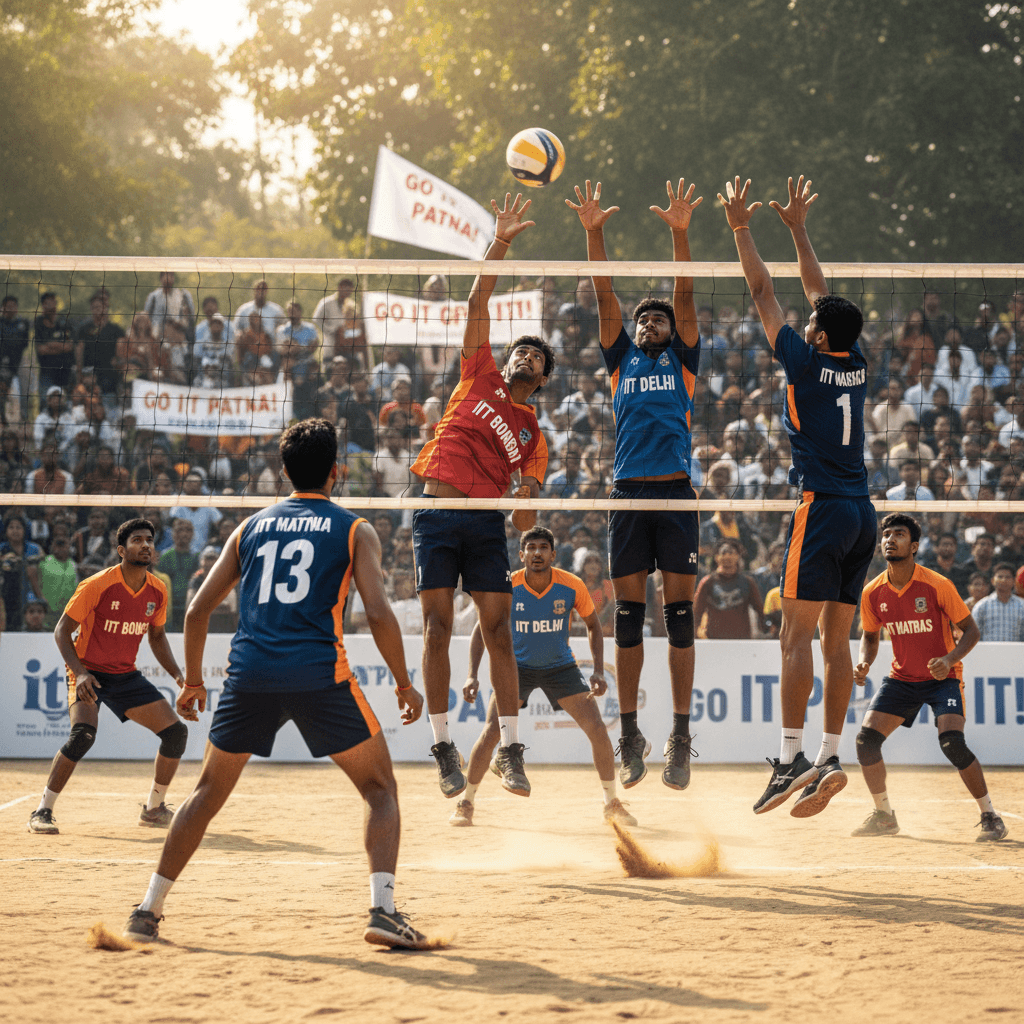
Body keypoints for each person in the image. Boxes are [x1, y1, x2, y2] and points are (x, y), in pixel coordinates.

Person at [121, 419, 431, 949]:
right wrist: (404, 683)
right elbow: (379, 613)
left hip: (250, 676)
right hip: (319, 675)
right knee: (380, 790)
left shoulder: (250, 528)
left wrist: (193, 681)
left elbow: (196, 611)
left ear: (283, 472)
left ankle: (147, 910)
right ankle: (383, 911)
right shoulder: (355, 529)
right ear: (337, 471)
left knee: (206, 794)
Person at [719, 175, 877, 817]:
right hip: (863, 513)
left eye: (811, 323)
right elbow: (821, 296)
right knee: (835, 643)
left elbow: (764, 290)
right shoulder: (854, 361)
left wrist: (741, 226)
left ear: (816, 335)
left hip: (820, 507)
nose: (806, 321)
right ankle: (830, 754)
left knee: (795, 639)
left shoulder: (804, 362)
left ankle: (789, 759)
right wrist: (799, 230)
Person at [410, 193, 551, 800]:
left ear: (542, 379)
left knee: (498, 632)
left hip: (486, 522)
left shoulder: (534, 436)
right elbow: (476, 300)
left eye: (537, 357)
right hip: (439, 510)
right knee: (438, 629)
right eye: (523, 349)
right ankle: (443, 747)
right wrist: (501, 242)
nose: (526, 356)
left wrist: (523, 488)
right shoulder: (480, 374)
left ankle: (511, 749)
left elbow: (526, 519)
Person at [566, 177, 703, 792]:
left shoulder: (685, 360)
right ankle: (629, 735)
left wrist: (680, 235)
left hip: (674, 494)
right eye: (643, 319)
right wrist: (594, 233)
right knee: (627, 620)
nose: (650, 323)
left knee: (678, 620)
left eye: (659, 319)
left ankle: (679, 735)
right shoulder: (621, 360)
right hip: (628, 495)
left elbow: (686, 291)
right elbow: (604, 294)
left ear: (673, 331)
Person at [452, 526, 635, 828]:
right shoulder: (507, 585)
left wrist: (600, 670)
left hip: (560, 667)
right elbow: (480, 630)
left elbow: (593, 625)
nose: (537, 553)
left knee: (598, 729)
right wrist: (472, 675)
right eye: (531, 548)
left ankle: (611, 803)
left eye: (543, 548)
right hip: (515, 669)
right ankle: (466, 803)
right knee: (491, 734)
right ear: (521, 554)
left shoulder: (572, 585)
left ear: (552, 553)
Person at [26, 518, 189, 835]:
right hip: (88, 671)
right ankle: (42, 811)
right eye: (137, 540)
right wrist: (81, 673)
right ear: (121, 550)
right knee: (83, 735)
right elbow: (62, 632)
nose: (145, 545)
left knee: (175, 734)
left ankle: (154, 809)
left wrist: (180, 678)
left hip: (125, 675)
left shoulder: (157, 590)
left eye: (150, 540)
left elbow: (157, 638)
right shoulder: (97, 584)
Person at [852, 513, 1007, 841]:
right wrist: (865, 662)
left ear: (915, 545)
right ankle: (884, 816)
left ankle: (990, 816)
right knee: (866, 742)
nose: (890, 539)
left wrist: (949, 659)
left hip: (943, 677)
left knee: (952, 743)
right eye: (887, 535)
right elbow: (869, 635)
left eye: (899, 535)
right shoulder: (872, 592)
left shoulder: (937, 584)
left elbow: (971, 631)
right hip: (902, 678)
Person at [693, 539, 764, 639]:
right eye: (723, 553)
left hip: (741, 641)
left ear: (738, 556)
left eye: (731, 553)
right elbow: (696, 612)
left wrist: (765, 631)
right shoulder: (707, 582)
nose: (727, 556)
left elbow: (760, 610)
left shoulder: (747, 582)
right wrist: (694, 636)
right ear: (717, 557)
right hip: (713, 640)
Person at [970, 563, 1024, 641]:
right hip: (987, 652)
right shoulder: (982, 606)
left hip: (1015, 652)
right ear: (992, 581)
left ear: (1013, 581)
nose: (1004, 580)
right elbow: (973, 636)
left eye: (1008, 577)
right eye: (1000, 577)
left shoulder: (1022, 606)